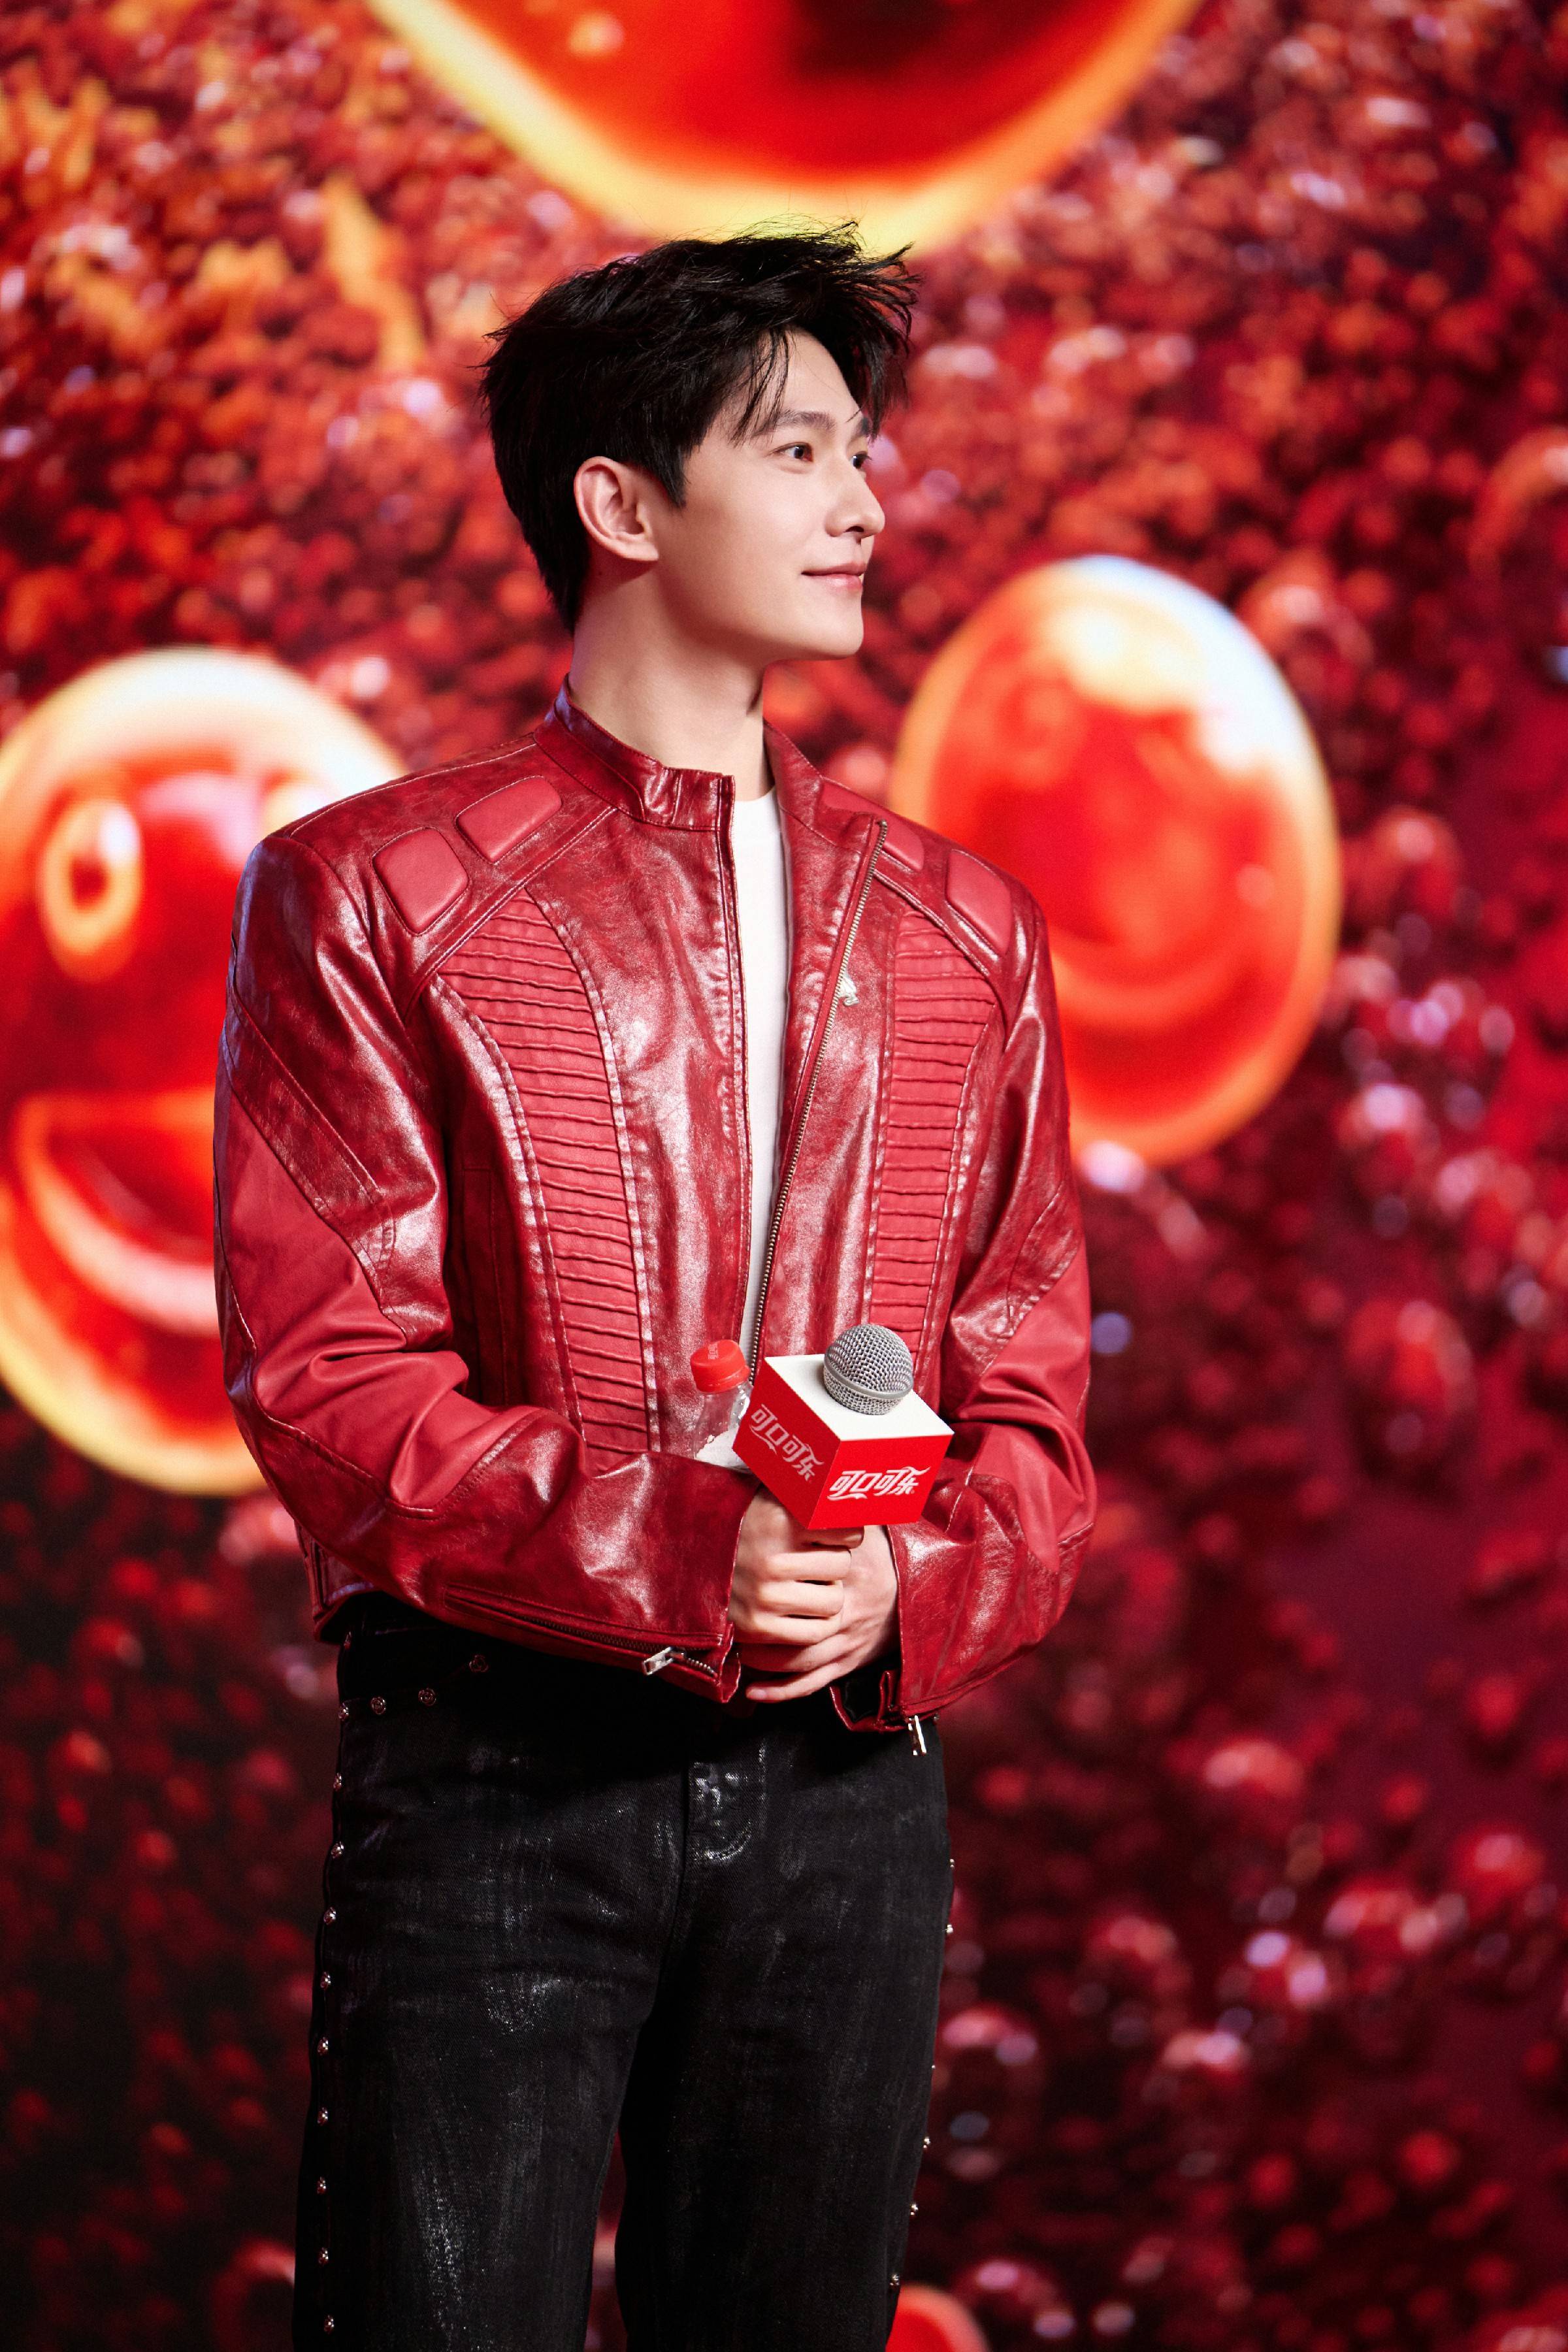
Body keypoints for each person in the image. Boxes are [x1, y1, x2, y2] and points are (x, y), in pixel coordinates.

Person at [212, 221, 1096, 2352]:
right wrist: (696, 1549)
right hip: (499, 1777)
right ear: (619, 501)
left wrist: (908, 1586)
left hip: (852, 1795)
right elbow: (332, 1379)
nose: (862, 500)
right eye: (797, 450)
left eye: (861, 448)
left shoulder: (971, 933)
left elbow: (1036, 1412)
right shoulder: (367, 895)